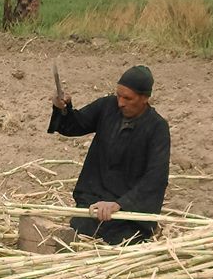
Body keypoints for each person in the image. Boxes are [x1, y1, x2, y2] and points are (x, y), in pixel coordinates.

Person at [47, 65, 171, 245]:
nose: (120, 102)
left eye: (128, 98)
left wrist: (119, 204)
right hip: (95, 203)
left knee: (122, 243)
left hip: (128, 214)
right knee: (79, 234)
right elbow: (74, 125)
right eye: (119, 95)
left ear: (145, 98)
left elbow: (155, 178)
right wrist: (62, 108)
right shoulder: (107, 106)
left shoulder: (157, 128)